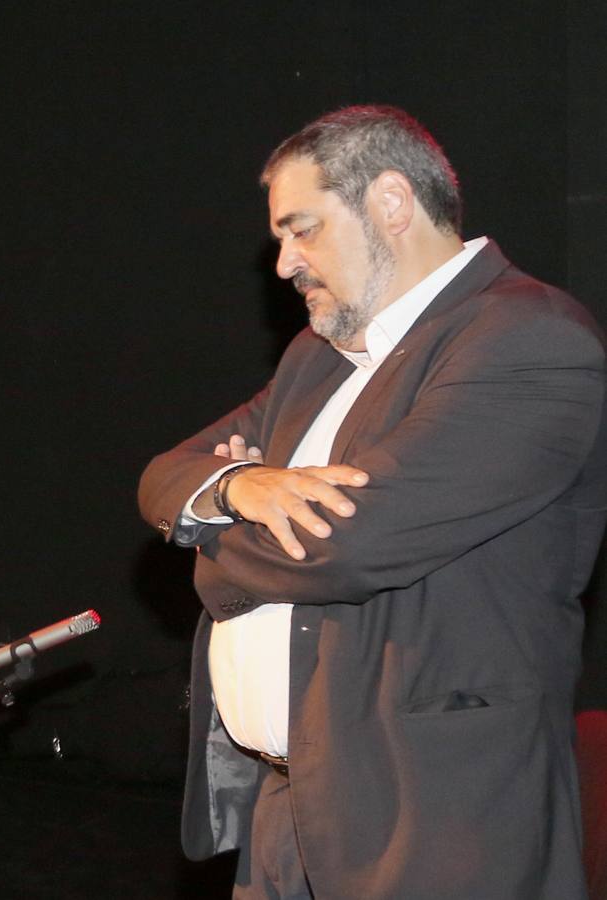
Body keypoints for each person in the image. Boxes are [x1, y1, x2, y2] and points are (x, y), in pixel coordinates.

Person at [136, 106, 606, 899]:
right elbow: (162, 477)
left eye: (303, 229)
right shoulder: (317, 357)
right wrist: (240, 487)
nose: (284, 262)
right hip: (289, 810)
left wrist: (211, 551)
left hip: (435, 820)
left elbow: (343, 546)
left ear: (391, 202)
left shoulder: (529, 338)